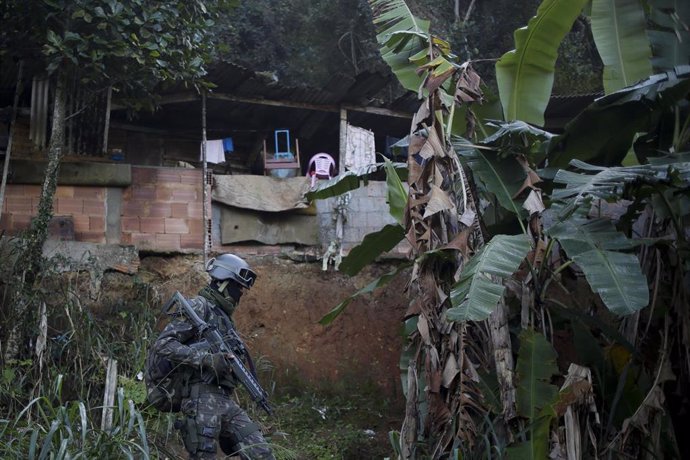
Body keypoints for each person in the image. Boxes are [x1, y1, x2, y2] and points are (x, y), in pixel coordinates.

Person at [150, 253, 275, 459]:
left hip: (223, 400)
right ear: (223, 283)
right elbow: (162, 345)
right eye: (238, 287)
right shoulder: (199, 307)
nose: (240, 294)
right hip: (200, 398)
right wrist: (206, 359)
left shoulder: (223, 319)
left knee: (261, 452)